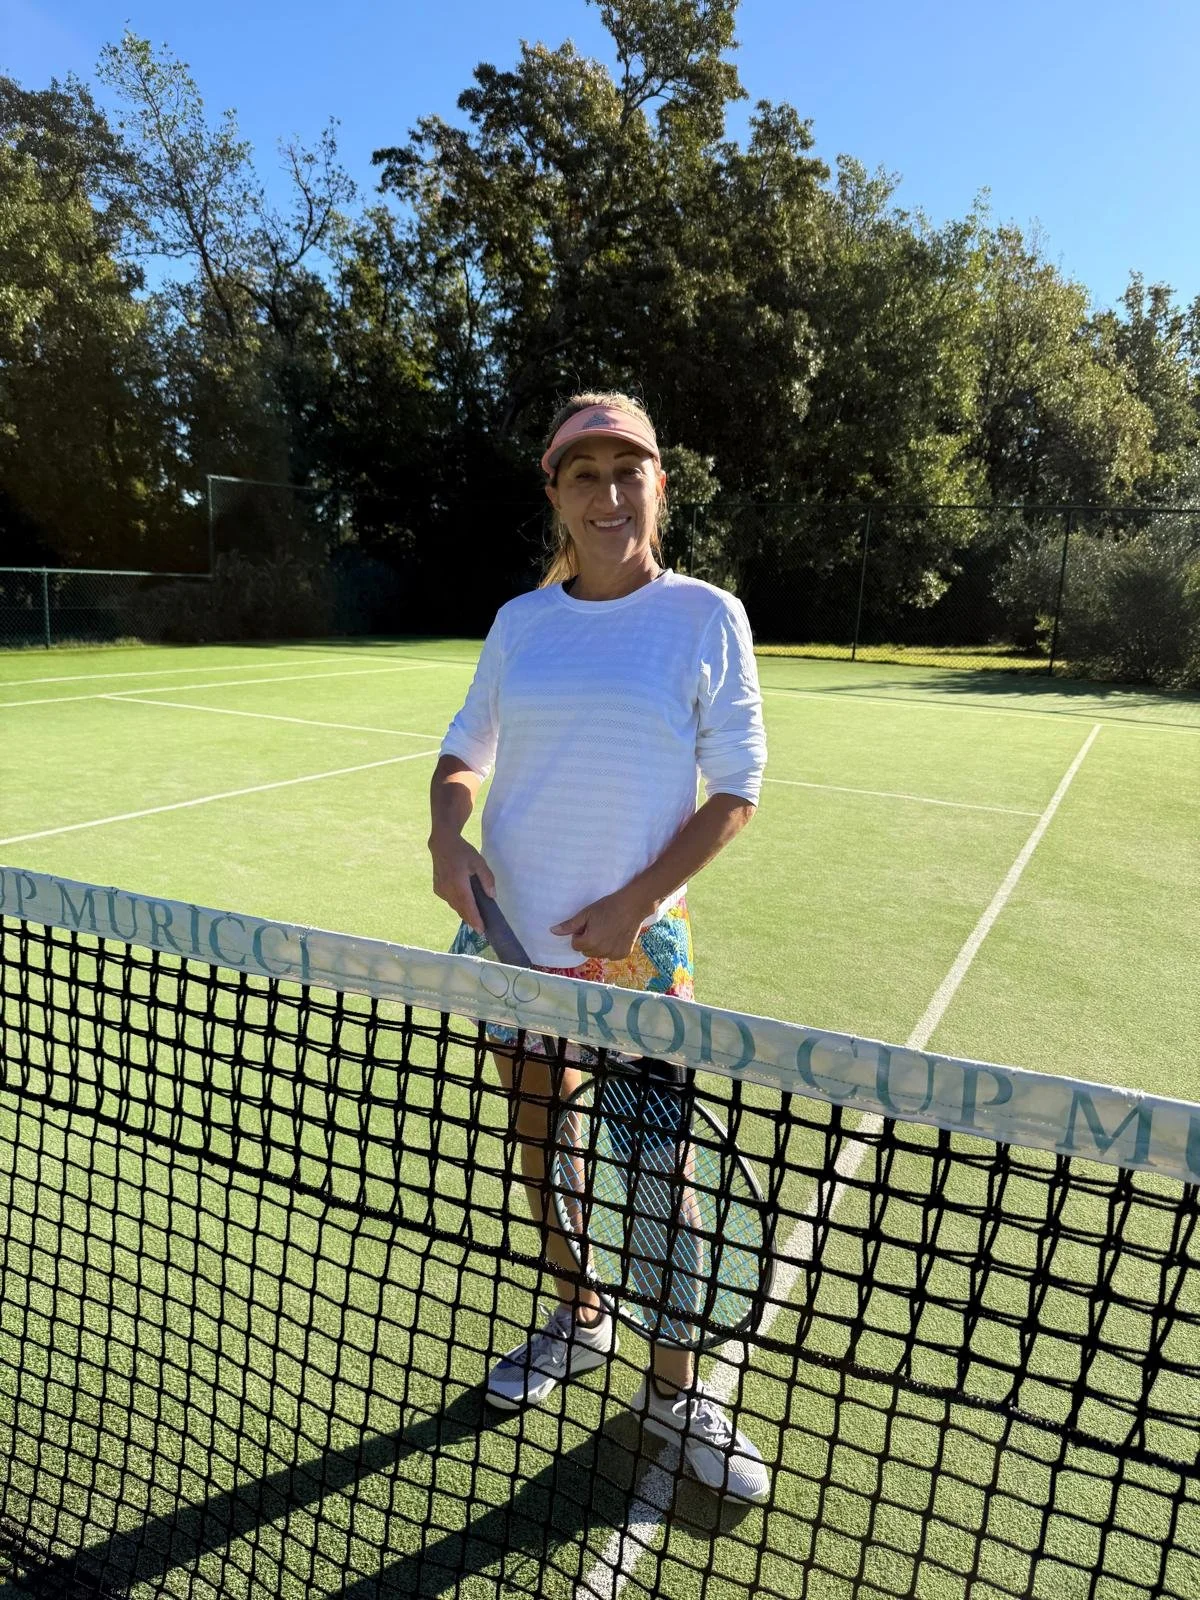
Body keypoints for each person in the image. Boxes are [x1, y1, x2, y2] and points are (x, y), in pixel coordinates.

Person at [428, 391, 769, 1503]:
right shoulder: (521, 622)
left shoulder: (707, 615)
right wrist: (447, 833)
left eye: (630, 472)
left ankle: (678, 1391)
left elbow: (738, 791)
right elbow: (462, 753)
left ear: (658, 486)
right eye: (587, 475)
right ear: (557, 495)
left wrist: (638, 899)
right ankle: (581, 1317)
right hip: (512, 943)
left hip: (639, 959)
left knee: (661, 1178)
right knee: (541, 1139)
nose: (609, 494)